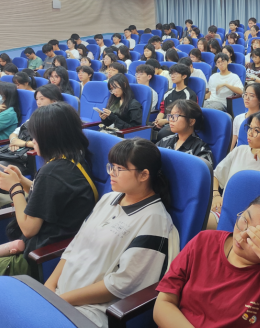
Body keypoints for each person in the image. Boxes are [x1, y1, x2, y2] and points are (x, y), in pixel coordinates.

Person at [46, 138, 177, 328]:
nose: (111, 173)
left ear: (144, 175)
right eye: (111, 166)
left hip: (91, 310)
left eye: (119, 169)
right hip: (59, 296)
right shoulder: (108, 199)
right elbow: (75, 246)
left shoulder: (155, 220)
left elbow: (121, 284)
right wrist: (49, 288)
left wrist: (61, 301)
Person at [154, 189, 260, 328]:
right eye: (244, 221)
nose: (241, 237)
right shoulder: (203, 242)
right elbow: (163, 304)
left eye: (255, 237)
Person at [0, 102, 97, 277]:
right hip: (48, 247)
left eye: (35, 137)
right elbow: (47, 196)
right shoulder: (74, 159)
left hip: (39, 258)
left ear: (50, 138)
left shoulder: (52, 172)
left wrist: (14, 188)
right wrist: (21, 180)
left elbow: (28, 229)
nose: (32, 142)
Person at [0, 85, 63, 226]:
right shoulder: (35, 116)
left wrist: (23, 143)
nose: (38, 102)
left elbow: (47, 144)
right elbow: (14, 132)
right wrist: (14, 140)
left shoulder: (56, 120)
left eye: (42, 99)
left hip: (23, 160)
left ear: (54, 101)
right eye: (37, 99)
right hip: (9, 153)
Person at [156, 100, 214, 171]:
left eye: (175, 116)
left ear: (191, 121)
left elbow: (202, 175)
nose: (170, 119)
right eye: (170, 116)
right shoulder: (164, 141)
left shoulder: (201, 150)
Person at [154, 64, 198, 140]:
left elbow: (185, 116)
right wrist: (158, 120)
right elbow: (162, 110)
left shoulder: (189, 94)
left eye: (176, 74)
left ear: (184, 76)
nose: (172, 76)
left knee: (162, 134)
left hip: (178, 123)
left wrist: (164, 121)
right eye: (171, 74)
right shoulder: (168, 93)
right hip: (165, 121)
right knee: (148, 128)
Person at [231, 83, 260, 149]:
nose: (247, 98)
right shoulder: (238, 118)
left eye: (251, 96)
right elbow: (234, 140)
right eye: (245, 94)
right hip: (239, 152)